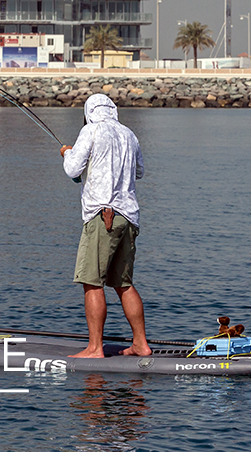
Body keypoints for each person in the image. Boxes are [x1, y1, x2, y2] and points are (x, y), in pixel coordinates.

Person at [60, 93, 151, 358]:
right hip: (129, 218)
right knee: (123, 283)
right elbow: (139, 172)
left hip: (103, 216)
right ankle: (141, 344)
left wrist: (67, 153)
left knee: (92, 282)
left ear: (89, 112)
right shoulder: (129, 134)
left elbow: (72, 169)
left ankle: (95, 348)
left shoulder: (91, 130)